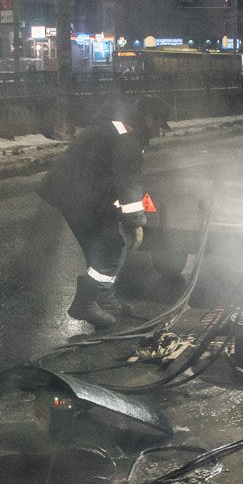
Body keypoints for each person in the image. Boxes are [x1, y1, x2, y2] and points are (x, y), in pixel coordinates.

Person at [39, 96, 168, 328]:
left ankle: (105, 300)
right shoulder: (128, 135)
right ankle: (84, 303)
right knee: (111, 252)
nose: (159, 132)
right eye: (159, 125)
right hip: (80, 196)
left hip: (74, 192)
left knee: (99, 247)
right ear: (149, 119)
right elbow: (128, 183)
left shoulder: (117, 123)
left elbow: (108, 175)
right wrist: (135, 222)